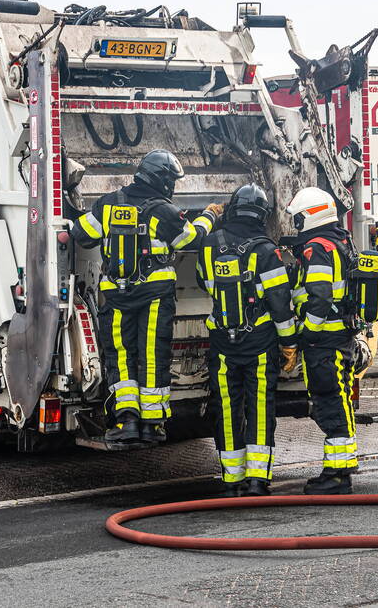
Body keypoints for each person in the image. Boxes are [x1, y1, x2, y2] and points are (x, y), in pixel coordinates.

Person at [72, 149, 223, 445]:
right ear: (162, 180)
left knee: (120, 355)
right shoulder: (163, 211)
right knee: (153, 356)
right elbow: (192, 238)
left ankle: (126, 420)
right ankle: (152, 425)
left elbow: (81, 234)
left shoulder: (109, 204)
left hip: (115, 295)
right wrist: (209, 215)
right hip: (155, 295)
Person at [196, 184, 296, 497]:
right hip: (260, 342)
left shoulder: (211, 244)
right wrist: (289, 343)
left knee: (226, 408)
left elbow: (203, 280)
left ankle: (231, 480)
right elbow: (280, 301)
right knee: (260, 408)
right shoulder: (266, 250)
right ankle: (257, 480)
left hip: (223, 344)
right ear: (262, 214)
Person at [285, 187, 361, 495]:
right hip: (340, 336)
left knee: (330, 402)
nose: (296, 224)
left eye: (299, 218)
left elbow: (319, 296)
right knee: (339, 400)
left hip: (325, 340)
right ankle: (340, 469)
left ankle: (337, 476)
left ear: (310, 215)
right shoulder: (340, 242)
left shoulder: (317, 247)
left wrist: (309, 332)